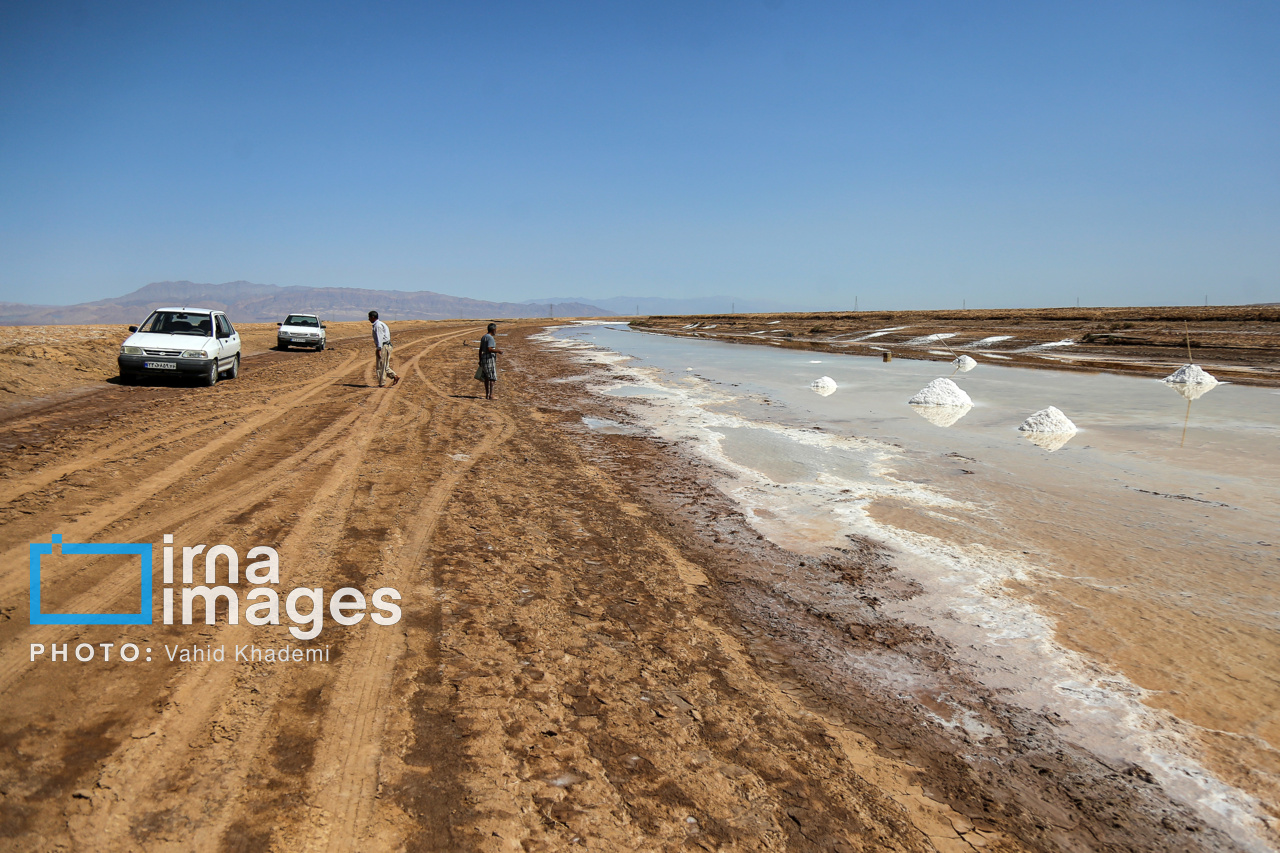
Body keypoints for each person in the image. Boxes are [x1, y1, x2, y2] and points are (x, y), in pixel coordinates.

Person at [368, 310, 399, 387]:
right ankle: (394, 376)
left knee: (380, 366)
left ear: (373, 317)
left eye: (369, 318)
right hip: (386, 346)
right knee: (384, 365)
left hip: (383, 347)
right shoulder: (380, 324)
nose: (368, 319)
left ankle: (382, 383)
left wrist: (379, 349)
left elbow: (380, 338)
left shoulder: (378, 326)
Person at [478, 322, 502, 400]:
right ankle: (491, 395)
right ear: (493, 330)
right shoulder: (490, 338)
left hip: (484, 358)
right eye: (495, 330)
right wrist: (498, 351)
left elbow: (480, 349)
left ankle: (487, 394)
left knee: (486, 377)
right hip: (489, 359)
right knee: (492, 377)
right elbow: (489, 349)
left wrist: (480, 359)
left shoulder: (483, 337)